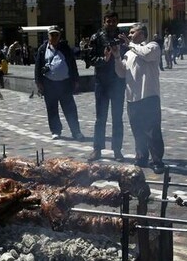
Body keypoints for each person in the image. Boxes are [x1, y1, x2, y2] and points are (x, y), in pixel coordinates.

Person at [113, 23, 165, 174]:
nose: (128, 35)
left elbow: (146, 55)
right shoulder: (129, 52)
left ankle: (157, 160)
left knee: (152, 130)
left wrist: (129, 44)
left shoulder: (152, 46)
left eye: (131, 32)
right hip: (132, 98)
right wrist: (116, 56)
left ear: (141, 33)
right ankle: (141, 157)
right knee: (138, 130)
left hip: (149, 96)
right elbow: (121, 73)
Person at [86, 11, 126, 161]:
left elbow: (128, 57)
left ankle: (117, 150)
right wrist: (104, 59)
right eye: (108, 21)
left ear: (117, 22)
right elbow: (90, 59)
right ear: (104, 21)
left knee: (117, 118)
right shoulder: (96, 38)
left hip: (117, 82)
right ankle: (97, 149)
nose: (111, 23)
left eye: (113, 21)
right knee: (100, 118)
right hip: (101, 82)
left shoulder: (122, 38)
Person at [34, 25, 84, 141]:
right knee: (52, 109)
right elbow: (38, 67)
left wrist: (76, 80)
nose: (54, 37)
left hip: (65, 83)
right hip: (49, 84)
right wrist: (38, 82)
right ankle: (55, 131)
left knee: (70, 109)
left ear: (60, 36)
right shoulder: (43, 49)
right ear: (48, 36)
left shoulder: (65, 48)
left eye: (57, 34)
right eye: (52, 35)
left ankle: (76, 132)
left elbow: (72, 64)